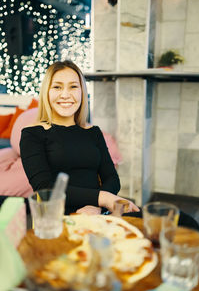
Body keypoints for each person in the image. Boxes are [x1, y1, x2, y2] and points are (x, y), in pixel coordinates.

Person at [20, 60, 140, 215]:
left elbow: (111, 178)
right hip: (59, 217)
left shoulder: (93, 132)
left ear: (82, 92)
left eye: (73, 87)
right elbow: (45, 188)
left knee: (175, 221)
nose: (65, 95)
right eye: (57, 87)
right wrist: (103, 199)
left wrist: (96, 207)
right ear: (46, 92)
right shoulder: (32, 134)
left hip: (99, 212)